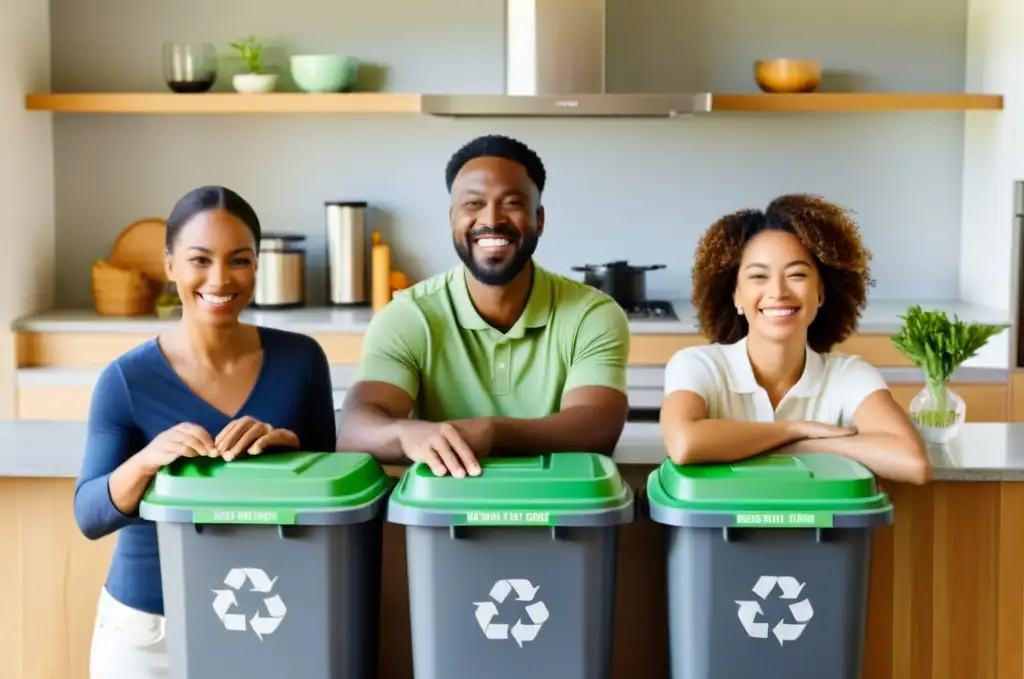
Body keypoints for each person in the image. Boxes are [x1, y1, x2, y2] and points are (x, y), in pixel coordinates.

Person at [73, 185, 337, 679]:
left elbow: (331, 493)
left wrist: (291, 449)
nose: (220, 279)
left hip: (267, 623)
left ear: (256, 265)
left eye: (239, 259)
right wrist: (146, 461)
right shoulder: (126, 380)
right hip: (150, 637)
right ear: (170, 266)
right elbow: (89, 512)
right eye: (200, 259)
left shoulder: (302, 362)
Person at [337, 134, 630, 475]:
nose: (491, 219)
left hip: (564, 511)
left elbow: (597, 429)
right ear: (452, 219)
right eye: (473, 204)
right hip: (442, 516)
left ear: (539, 219)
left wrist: (491, 432)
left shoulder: (591, 314)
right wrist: (405, 433)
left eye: (512, 202)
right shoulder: (409, 317)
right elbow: (354, 431)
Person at [660, 193, 932, 485]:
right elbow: (684, 443)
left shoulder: (847, 375)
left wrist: (801, 445)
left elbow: (913, 463)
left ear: (821, 292)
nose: (778, 292)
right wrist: (794, 429)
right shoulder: (698, 365)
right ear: (736, 295)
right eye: (758, 276)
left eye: (797, 275)